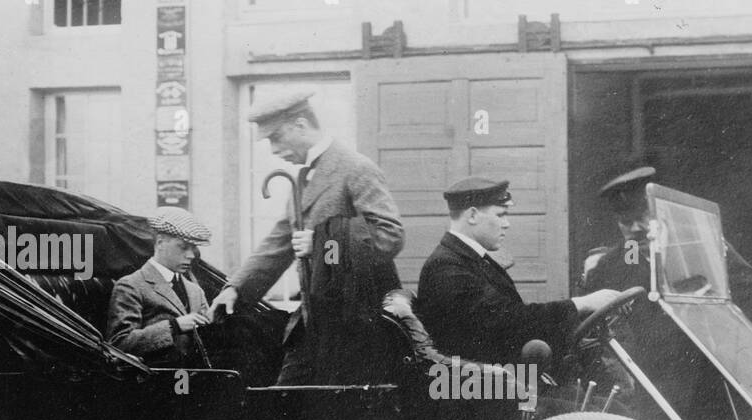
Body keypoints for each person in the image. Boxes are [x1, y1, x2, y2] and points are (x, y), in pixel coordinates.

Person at [208, 91, 403, 382]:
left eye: (276, 137)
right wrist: (236, 288)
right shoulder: (303, 178)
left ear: (300, 125)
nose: (273, 150)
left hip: (355, 324)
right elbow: (281, 240)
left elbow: (389, 236)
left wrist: (322, 244)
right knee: (287, 404)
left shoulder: (356, 168)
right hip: (315, 321)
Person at [415, 177, 619, 365]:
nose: (507, 224)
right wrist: (581, 304)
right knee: (609, 405)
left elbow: (509, 320)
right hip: (478, 393)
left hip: (495, 383)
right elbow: (511, 322)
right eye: (501, 215)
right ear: (473, 215)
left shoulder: (466, 259)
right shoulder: (447, 268)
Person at [579, 165, 752, 342]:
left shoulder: (702, 244)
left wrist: (733, 350)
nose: (634, 228)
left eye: (642, 217)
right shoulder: (609, 267)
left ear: (659, 210)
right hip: (647, 381)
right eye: (625, 222)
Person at [106, 207, 213, 367]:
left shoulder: (195, 290)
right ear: (160, 243)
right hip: (155, 383)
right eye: (183, 247)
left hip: (196, 381)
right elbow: (119, 344)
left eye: (193, 249)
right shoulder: (131, 285)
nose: (191, 255)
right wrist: (174, 326)